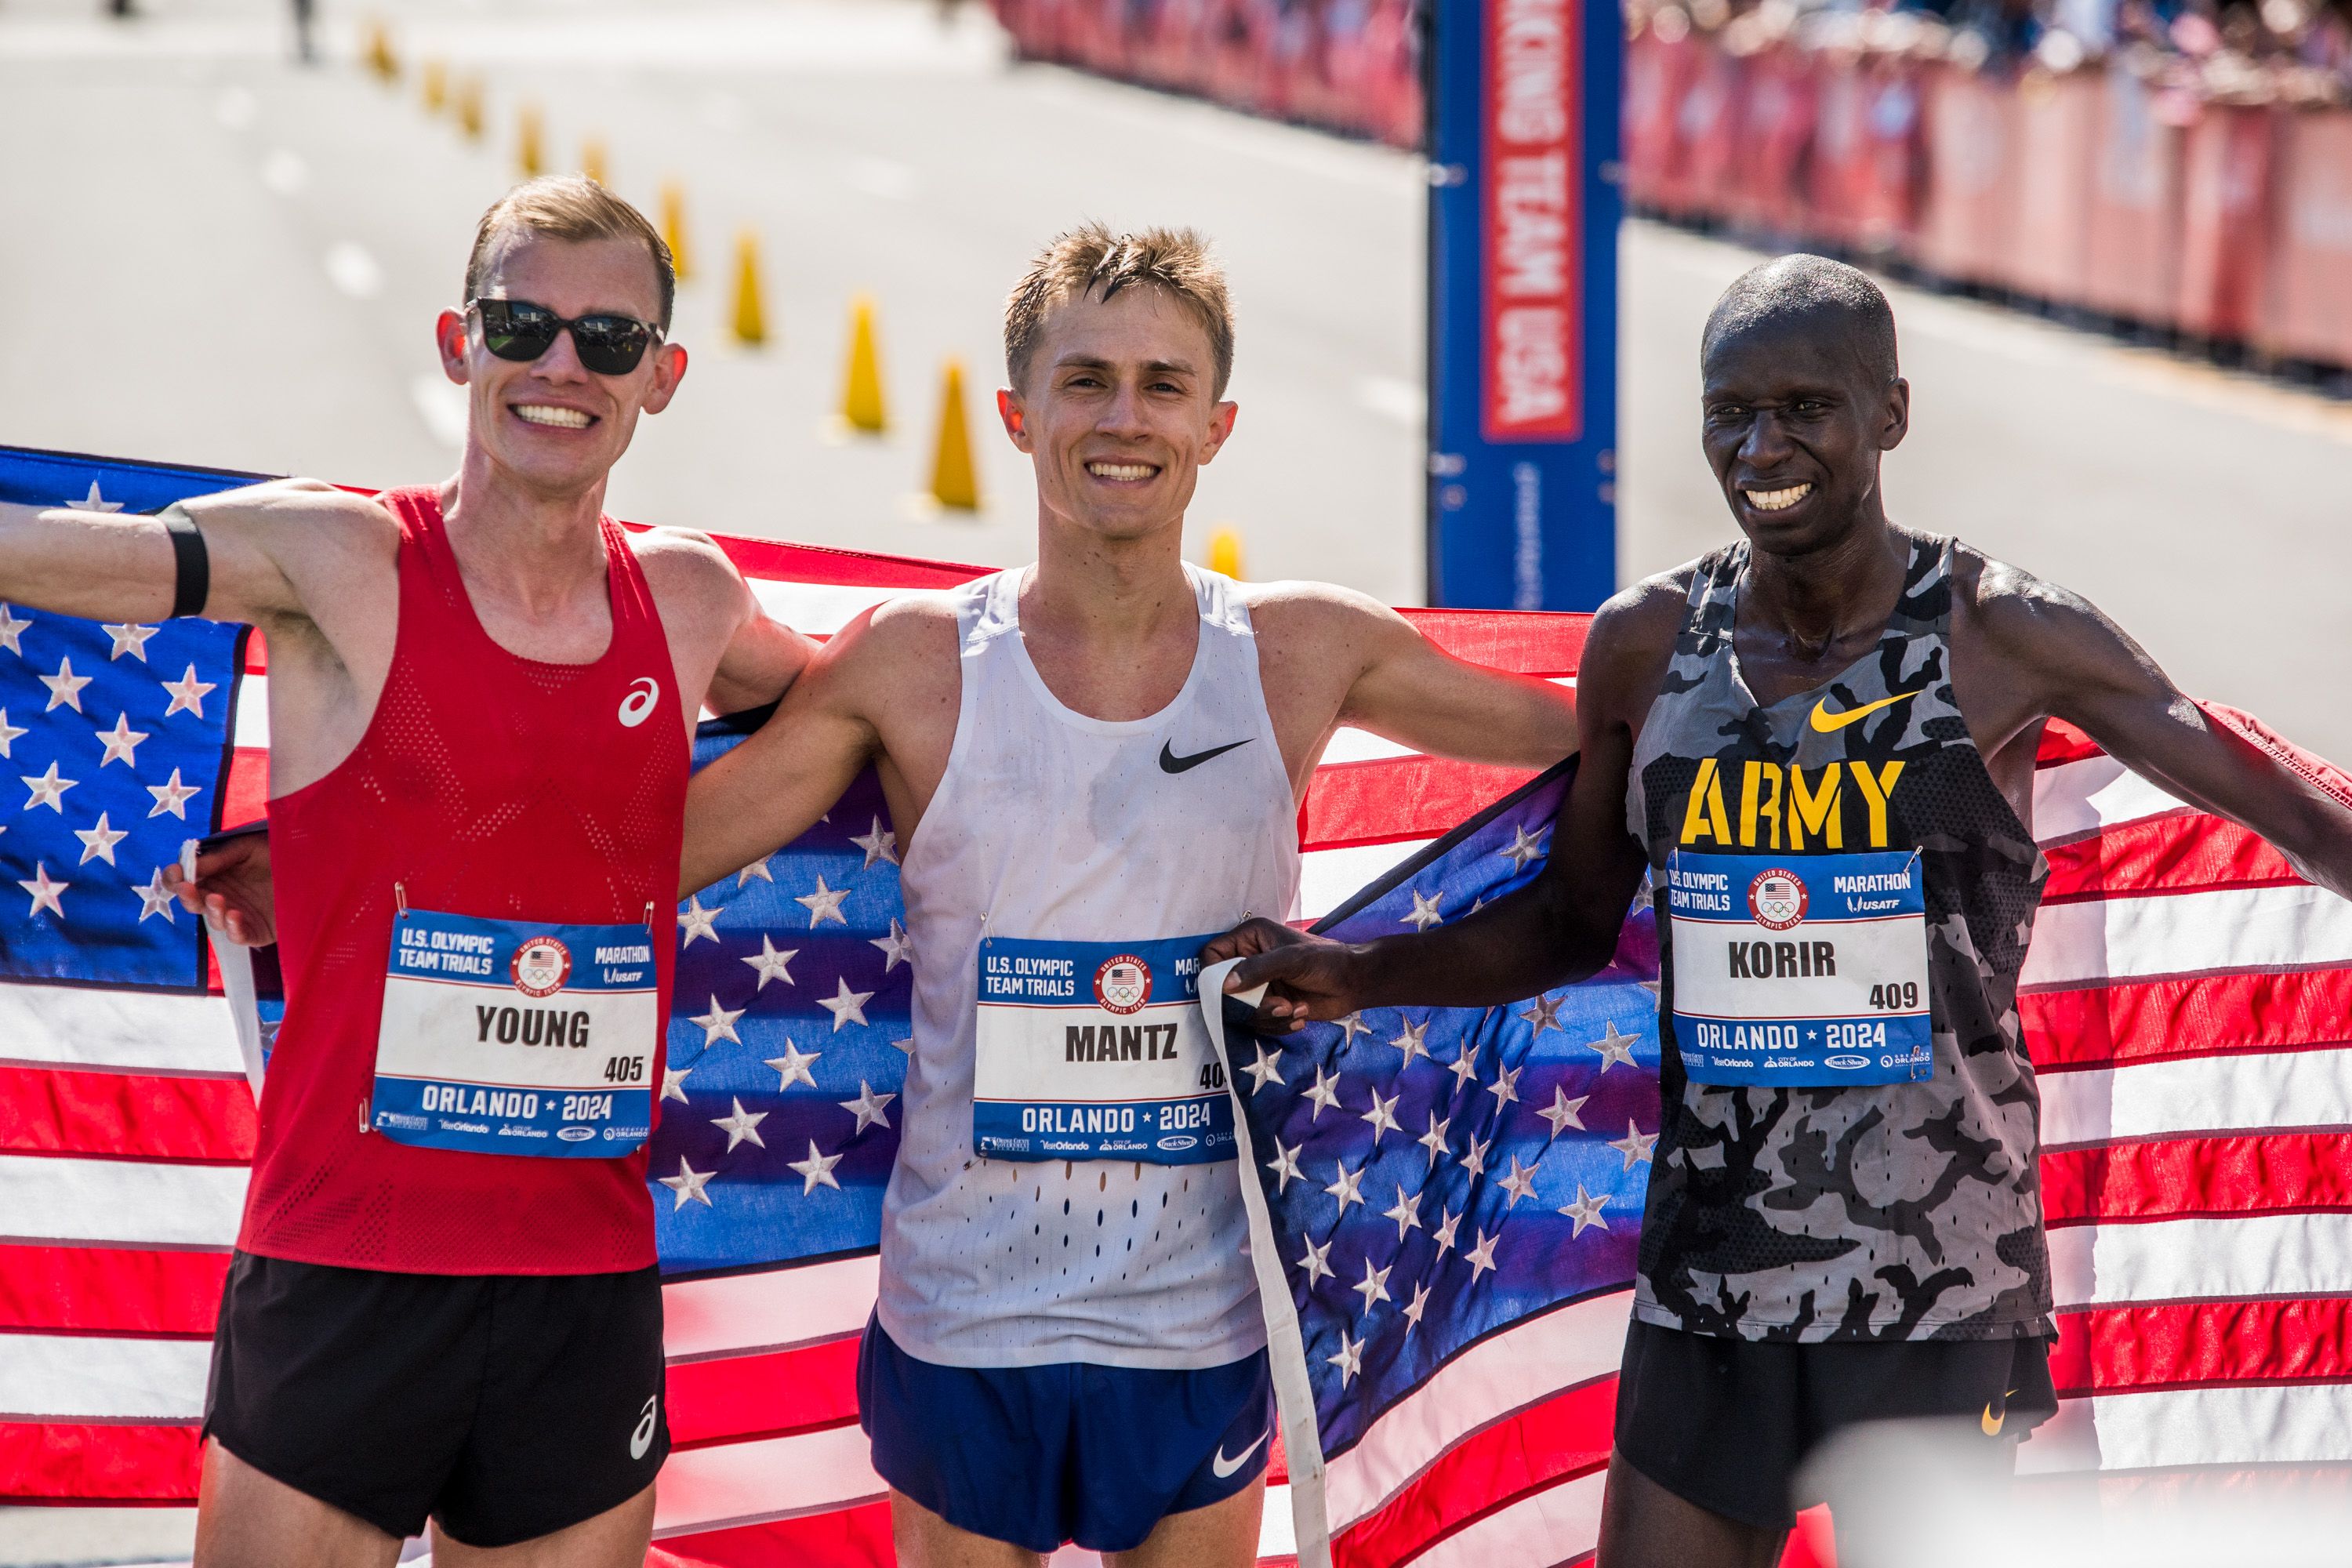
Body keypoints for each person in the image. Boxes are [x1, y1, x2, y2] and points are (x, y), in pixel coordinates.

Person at [1206, 254, 2352, 1568]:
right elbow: (1573, 923)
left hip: (1939, 1285)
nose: (1763, 447)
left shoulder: (2001, 633)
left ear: (1891, 415)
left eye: (1805, 408)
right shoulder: (1648, 643)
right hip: (1713, 1276)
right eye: (1730, 414)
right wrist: (1357, 972)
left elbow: (2282, 803)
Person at [673, 223, 1578, 1567]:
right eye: (1085, 379)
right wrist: (344, 849)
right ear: (1014, 412)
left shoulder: (1298, 648)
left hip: (1196, 1320)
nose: (1123, 417)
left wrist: (1866, 706)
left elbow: (1590, 738)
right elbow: (639, 860)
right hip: (964, 1315)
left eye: (1163, 384)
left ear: (1217, 426)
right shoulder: (914, 662)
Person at [0, 175, 813, 1568]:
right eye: (523, 323)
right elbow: (86, 560)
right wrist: (329, 841)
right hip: (345, 1266)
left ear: (661, 377)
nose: (561, 366)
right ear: (459, 343)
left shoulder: (689, 597)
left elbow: (853, 709)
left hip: (584, 1284)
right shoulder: (340, 554)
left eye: (608, 341)